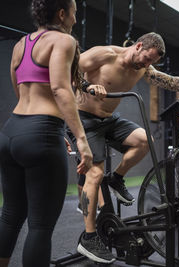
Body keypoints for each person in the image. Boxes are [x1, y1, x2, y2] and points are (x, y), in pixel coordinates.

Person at [68, 32, 179, 263]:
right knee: (94, 174)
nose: (147, 65)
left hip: (109, 119)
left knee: (145, 141)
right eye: (146, 59)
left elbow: (170, 81)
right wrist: (87, 85)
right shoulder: (104, 54)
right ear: (139, 45)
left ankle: (116, 178)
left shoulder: (144, 68)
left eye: (151, 62)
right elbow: (67, 70)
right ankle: (89, 237)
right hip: (84, 119)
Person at [0, 0, 93, 266]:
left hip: (11, 132)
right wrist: (81, 140)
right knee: (40, 225)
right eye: (74, 13)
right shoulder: (64, 41)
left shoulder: (21, 44)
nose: (75, 19)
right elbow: (60, 89)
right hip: (40, 134)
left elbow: (17, 84)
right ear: (62, 13)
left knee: (10, 215)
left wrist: (39, 128)